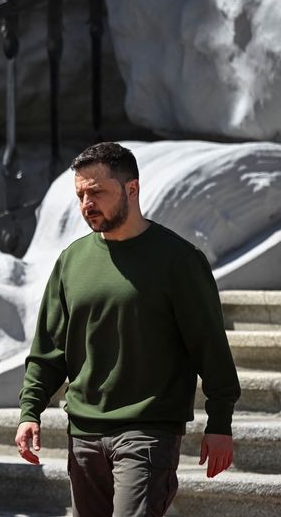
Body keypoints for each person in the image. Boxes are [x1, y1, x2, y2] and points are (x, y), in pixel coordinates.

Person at [14, 142, 241, 517]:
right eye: (81, 194)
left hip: (148, 433)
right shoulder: (72, 261)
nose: (87, 203)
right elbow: (48, 349)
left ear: (131, 189)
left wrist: (220, 423)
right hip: (83, 436)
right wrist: (29, 411)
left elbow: (210, 347)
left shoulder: (179, 261)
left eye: (97, 192)